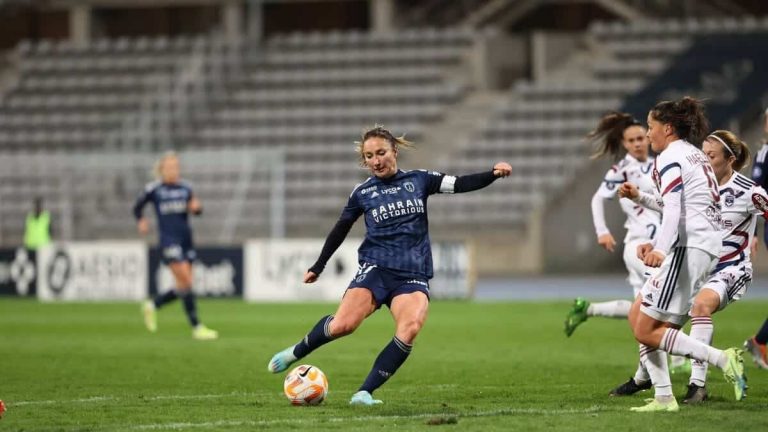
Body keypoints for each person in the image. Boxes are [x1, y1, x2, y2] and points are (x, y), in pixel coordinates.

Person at [266, 126, 512, 406]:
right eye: (369, 156)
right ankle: (295, 352)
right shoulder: (362, 192)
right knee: (344, 325)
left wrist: (493, 174)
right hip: (376, 269)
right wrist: (319, 265)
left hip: (412, 273)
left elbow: (460, 183)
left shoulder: (421, 180)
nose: (376, 160)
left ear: (394, 151)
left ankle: (364, 392)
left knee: (411, 326)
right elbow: (340, 229)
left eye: (381, 153)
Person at [617, 96, 745, 413]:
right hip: (702, 243)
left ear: (668, 128)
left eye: (651, 127)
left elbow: (675, 208)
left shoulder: (671, 156)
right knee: (641, 318)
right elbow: (678, 203)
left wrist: (661, 248)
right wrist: (642, 197)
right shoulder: (693, 155)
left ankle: (720, 358)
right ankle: (663, 397)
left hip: (690, 246)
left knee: (645, 328)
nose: (648, 135)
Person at [566, 112, 660, 339]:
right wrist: (602, 231)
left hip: (657, 244)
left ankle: (588, 309)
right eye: (631, 140)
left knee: (643, 308)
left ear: (648, 138)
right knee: (664, 297)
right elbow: (597, 198)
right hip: (639, 245)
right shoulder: (622, 170)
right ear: (624, 144)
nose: (637, 143)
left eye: (640, 138)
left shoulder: (659, 164)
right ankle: (677, 360)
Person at [133, 151, 218, 341]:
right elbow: (137, 207)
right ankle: (197, 326)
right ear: (162, 169)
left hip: (186, 240)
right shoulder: (154, 189)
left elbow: (196, 208)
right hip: (168, 241)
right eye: (169, 167)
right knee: (187, 282)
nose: (173, 170)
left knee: (183, 286)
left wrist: (197, 208)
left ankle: (152, 306)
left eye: (176, 167)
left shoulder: (186, 188)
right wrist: (141, 220)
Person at [745, 107, 768, 370]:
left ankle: (760, 340)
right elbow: (755, 194)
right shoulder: (765, 153)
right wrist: (751, 232)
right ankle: (759, 340)